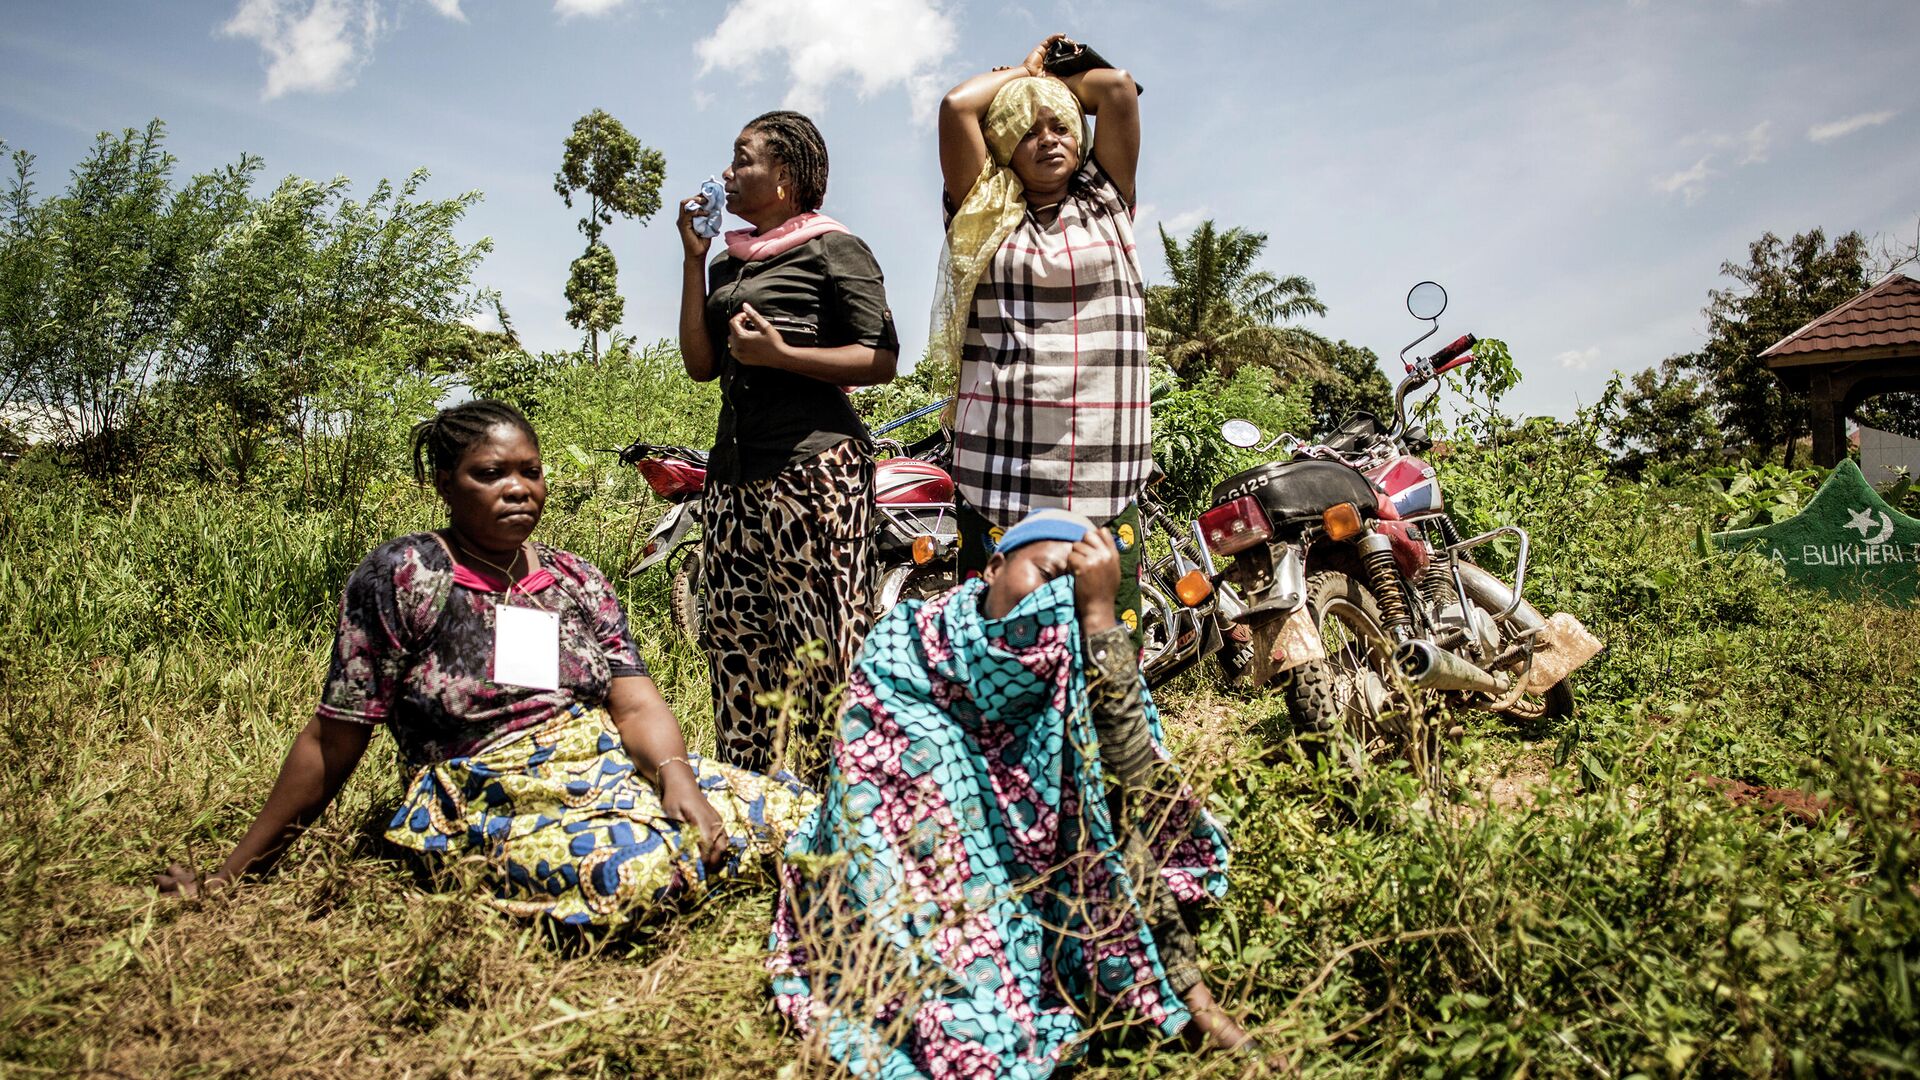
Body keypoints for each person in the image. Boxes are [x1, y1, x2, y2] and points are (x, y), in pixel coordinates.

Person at [153, 401, 815, 926]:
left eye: (530, 470)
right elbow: (335, 733)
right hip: (489, 789)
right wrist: (235, 870)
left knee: (808, 812)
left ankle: (704, 838)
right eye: (490, 473)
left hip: (603, 766)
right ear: (445, 483)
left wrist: (677, 780)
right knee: (636, 870)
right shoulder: (405, 574)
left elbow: (636, 703)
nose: (518, 489)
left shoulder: (575, 577)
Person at [768, 509, 1253, 1074]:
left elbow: (1135, 785)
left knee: (1106, 821)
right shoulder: (906, 648)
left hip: (1050, 877)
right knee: (962, 1019)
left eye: (1077, 594)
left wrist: (1098, 620)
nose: (1055, 603)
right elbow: (872, 821)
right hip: (920, 881)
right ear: (994, 567)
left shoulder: (1080, 656)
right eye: (1048, 577)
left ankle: (1188, 1000)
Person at [676, 110, 900, 779]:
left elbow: (881, 357)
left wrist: (782, 354)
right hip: (735, 477)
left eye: (743, 159)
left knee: (822, 648)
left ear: (785, 178)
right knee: (739, 643)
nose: (727, 172)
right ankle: (747, 798)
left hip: (815, 474)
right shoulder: (726, 263)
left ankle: (836, 806)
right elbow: (701, 364)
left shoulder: (835, 249)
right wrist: (693, 261)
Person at [932, 35, 1152, 648]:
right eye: (1027, 130)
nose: (1048, 138)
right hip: (999, 468)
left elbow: (1115, 86)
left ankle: (1107, 747)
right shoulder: (981, 212)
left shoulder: (1106, 200)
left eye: (1059, 125)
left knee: (1105, 650)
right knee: (996, 653)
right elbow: (956, 108)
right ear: (1004, 146)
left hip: (1103, 468)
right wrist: (1023, 76)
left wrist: (1048, 83)